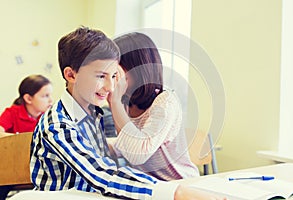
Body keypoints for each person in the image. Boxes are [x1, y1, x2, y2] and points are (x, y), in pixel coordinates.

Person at [30, 26, 226, 200]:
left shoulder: (93, 113)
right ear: (71, 75)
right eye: (101, 76)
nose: (110, 86)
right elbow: (101, 173)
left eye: (114, 76)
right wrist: (176, 193)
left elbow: (109, 161)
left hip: (172, 183)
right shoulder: (59, 125)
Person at [109, 32, 199, 181]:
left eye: (117, 69)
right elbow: (125, 144)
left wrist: (115, 102)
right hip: (150, 186)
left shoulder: (165, 102)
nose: (113, 76)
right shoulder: (126, 102)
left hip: (179, 183)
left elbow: (137, 154)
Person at [0, 74, 53, 200]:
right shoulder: (12, 113)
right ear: (28, 98)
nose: (51, 100)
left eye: (50, 95)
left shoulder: (48, 117)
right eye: (45, 96)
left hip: (38, 168)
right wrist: (19, 140)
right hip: (12, 168)